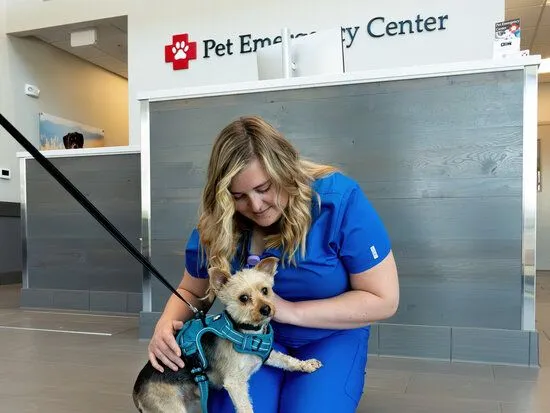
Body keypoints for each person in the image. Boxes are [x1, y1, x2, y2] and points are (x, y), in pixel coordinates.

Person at [147, 115, 399, 412]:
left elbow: (384, 299)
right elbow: (192, 291)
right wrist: (165, 324)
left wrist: (291, 311)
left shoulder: (338, 201)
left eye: (264, 188)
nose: (255, 206)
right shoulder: (220, 220)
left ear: (285, 169)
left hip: (330, 335)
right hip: (245, 340)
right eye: (239, 196)